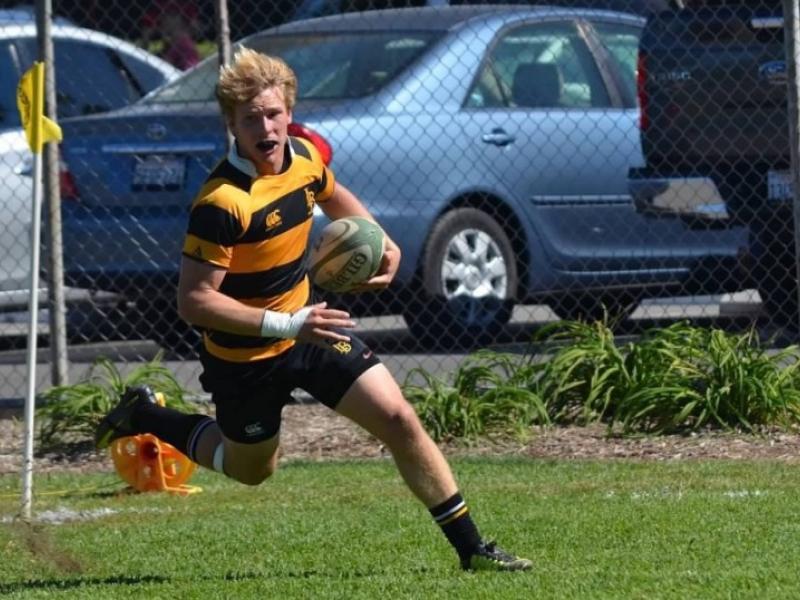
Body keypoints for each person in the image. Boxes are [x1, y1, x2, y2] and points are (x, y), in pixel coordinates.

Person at [94, 47, 532, 573]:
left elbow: (335, 195)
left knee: (398, 417)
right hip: (245, 357)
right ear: (231, 123)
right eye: (251, 118)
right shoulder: (221, 203)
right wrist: (287, 323)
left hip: (313, 330)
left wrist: (381, 241)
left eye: (274, 114)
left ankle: (473, 550)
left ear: (289, 114)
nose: (266, 128)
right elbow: (194, 301)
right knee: (252, 469)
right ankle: (144, 414)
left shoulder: (302, 158)